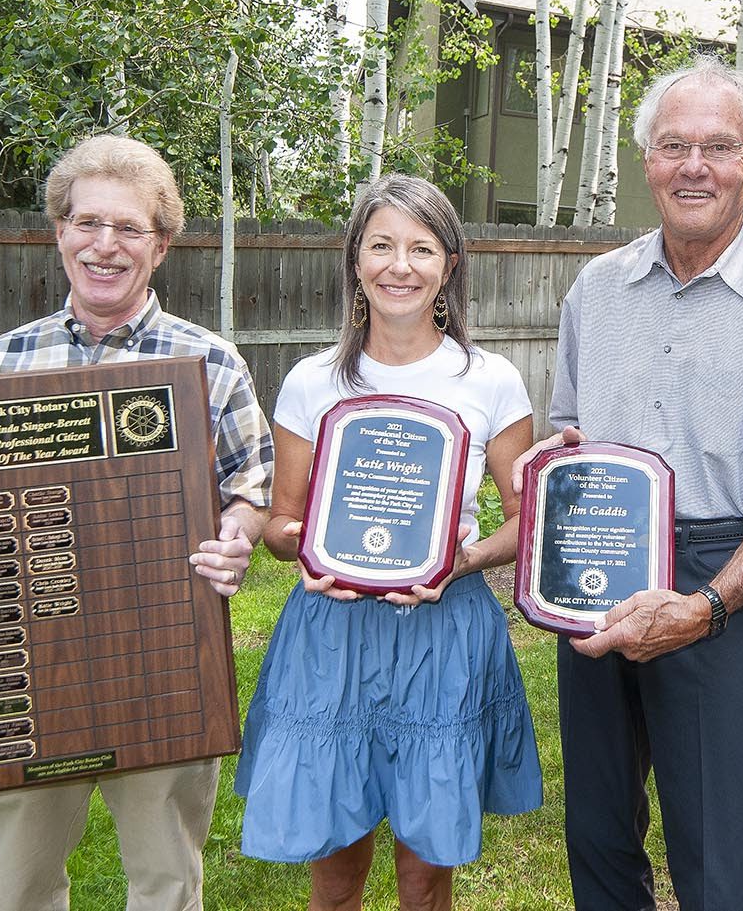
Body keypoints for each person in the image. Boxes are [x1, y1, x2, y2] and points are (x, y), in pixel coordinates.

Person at [0, 134, 274, 911]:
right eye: (87, 223)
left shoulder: (211, 361)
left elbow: (252, 482)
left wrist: (237, 532)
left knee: (167, 878)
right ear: (59, 230)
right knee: (19, 881)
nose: (105, 246)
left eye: (129, 228)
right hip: (24, 657)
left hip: (163, 655)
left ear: (162, 244)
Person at [512, 55, 743, 911]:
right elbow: (573, 436)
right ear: (647, 161)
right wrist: (550, 470)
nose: (693, 165)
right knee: (596, 831)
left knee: (716, 854)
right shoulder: (597, 287)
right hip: (599, 555)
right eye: (673, 145)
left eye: (718, 146)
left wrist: (707, 608)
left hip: (722, 563)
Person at [232, 172, 542, 911]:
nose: (399, 265)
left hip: (444, 631)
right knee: (334, 871)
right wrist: (306, 548)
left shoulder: (491, 380)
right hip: (331, 635)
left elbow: (525, 521)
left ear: (449, 265)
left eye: (420, 248)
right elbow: (281, 522)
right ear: (355, 262)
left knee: (425, 872)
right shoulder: (311, 381)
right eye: (380, 245)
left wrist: (464, 557)